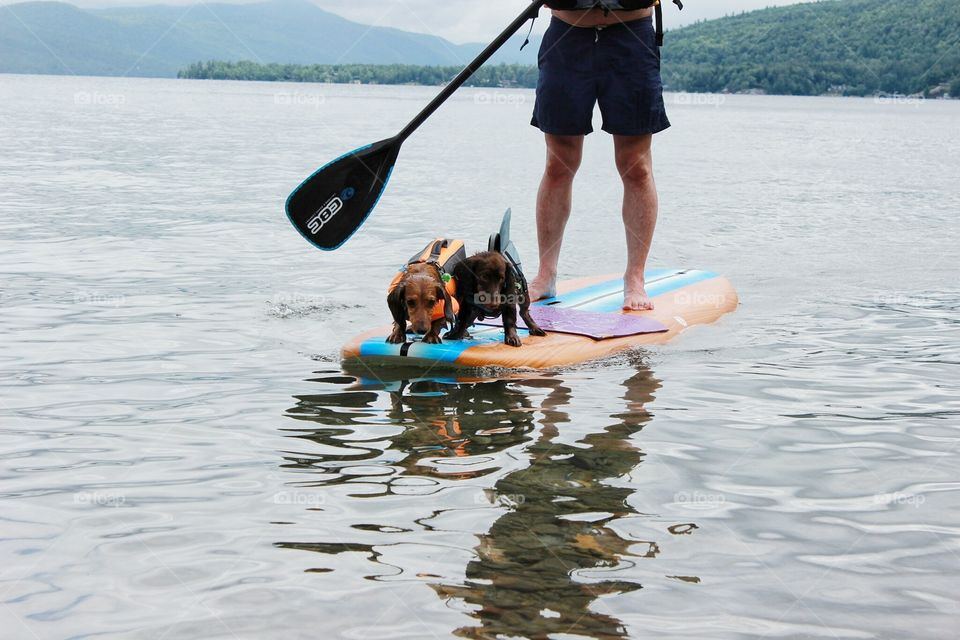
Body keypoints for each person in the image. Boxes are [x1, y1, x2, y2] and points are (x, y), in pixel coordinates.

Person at [528, 3, 671, 310]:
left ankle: (635, 278)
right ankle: (545, 274)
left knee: (637, 167)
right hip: (567, 35)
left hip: (630, 36)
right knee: (557, 163)